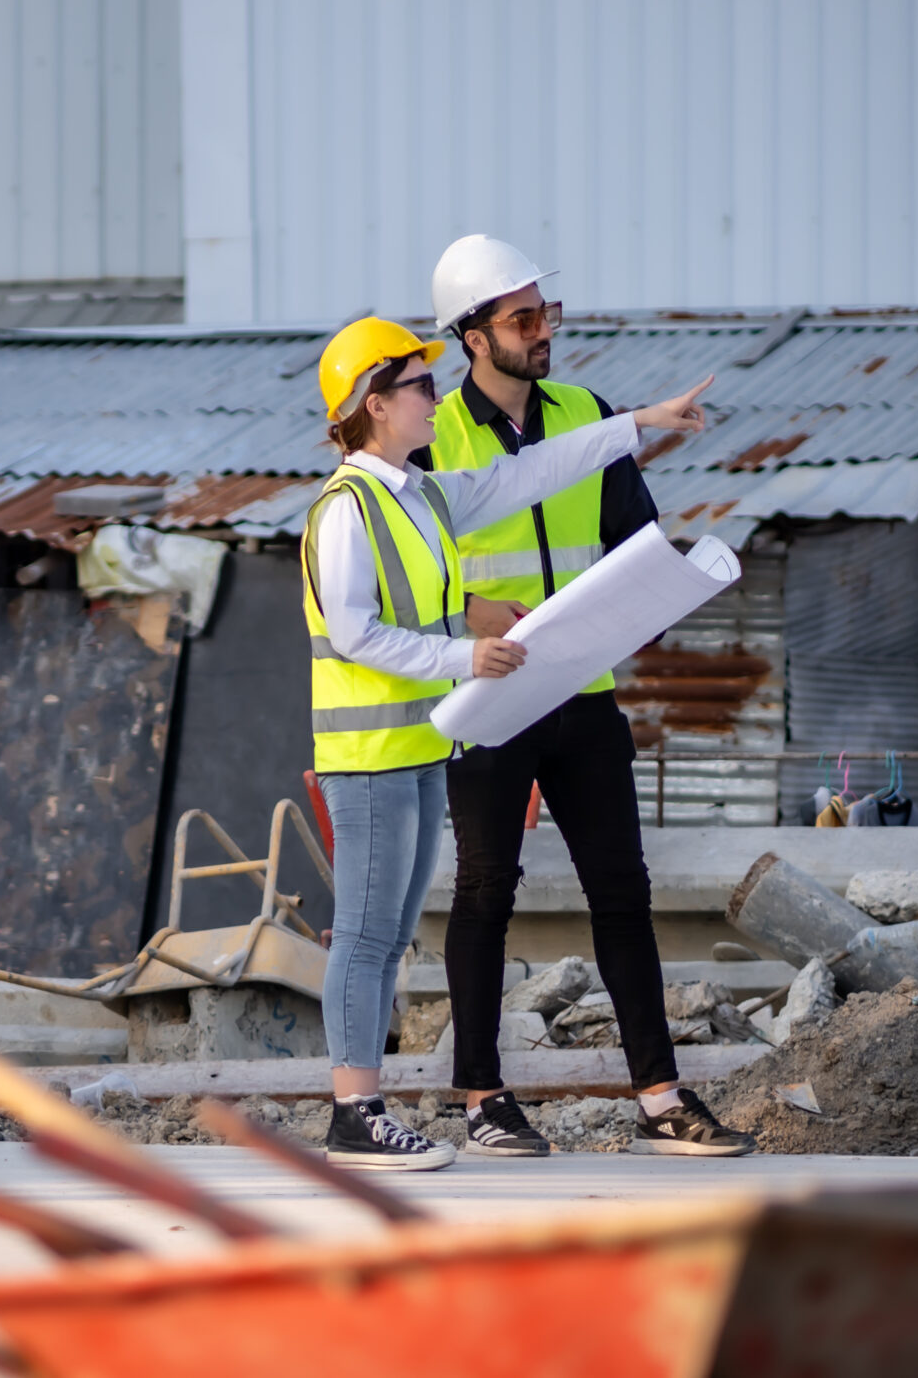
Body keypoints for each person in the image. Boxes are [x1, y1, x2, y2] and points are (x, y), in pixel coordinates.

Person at [302, 314, 712, 1169]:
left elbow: (535, 469)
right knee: (365, 936)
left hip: (418, 745)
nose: (431, 395)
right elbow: (352, 633)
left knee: (387, 932)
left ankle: (364, 1106)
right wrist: (467, 654)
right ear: (375, 405)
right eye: (416, 384)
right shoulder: (347, 510)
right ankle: (354, 1111)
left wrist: (639, 422)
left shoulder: (415, 496)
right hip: (369, 755)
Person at [420, 233, 757, 1159]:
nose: (543, 332)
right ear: (472, 337)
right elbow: (401, 577)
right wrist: (469, 609)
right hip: (491, 694)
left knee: (623, 891)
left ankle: (661, 1098)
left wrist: (652, 593)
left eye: (546, 312)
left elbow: (631, 539)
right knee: (486, 890)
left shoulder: (586, 412)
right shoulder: (433, 439)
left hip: (585, 688)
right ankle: (483, 1095)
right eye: (522, 318)